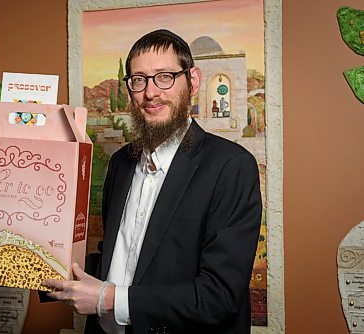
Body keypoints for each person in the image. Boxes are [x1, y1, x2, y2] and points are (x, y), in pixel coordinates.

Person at [42, 29, 262, 334]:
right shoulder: (120, 163)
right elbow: (123, 258)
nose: (151, 93)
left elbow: (219, 296)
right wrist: (35, 262)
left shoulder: (232, 167)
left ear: (193, 81)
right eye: (139, 80)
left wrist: (109, 300)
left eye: (164, 77)